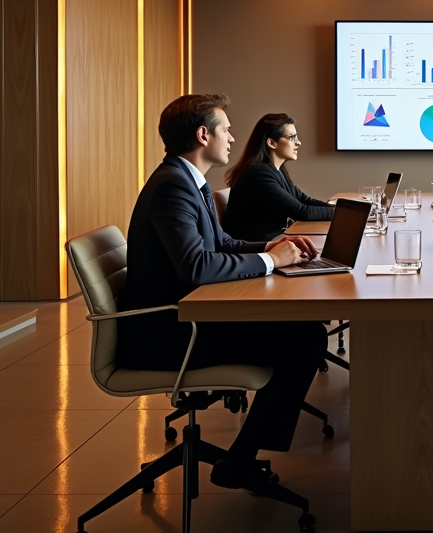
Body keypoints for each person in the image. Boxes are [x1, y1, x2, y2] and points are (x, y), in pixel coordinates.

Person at [119, 94, 328, 492]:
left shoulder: (186, 181)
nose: (232, 139)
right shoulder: (172, 188)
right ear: (203, 134)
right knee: (305, 337)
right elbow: (197, 265)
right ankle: (240, 461)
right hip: (169, 334)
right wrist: (271, 263)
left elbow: (222, 244)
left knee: (303, 331)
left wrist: (268, 250)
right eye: (225, 130)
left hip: (185, 319)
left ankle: (243, 456)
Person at [224, 113, 335, 240]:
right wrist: (344, 214)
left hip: (271, 241)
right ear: (271, 142)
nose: (298, 143)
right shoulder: (258, 173)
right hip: (258, 248)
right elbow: (302, 212)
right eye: (292, 137)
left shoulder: (276, 170)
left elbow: (304, 200)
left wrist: (341, 209)